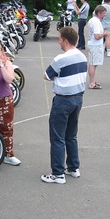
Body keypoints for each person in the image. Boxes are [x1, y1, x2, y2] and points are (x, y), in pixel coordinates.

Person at [41, 26, 88, 184]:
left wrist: (58, 78)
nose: (59, 42)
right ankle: (73, 168)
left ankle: (58, 173)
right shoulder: (82, 56)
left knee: (57, 137)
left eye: (60, 39)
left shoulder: (60, 59)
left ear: (66, 41)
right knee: (71, 135)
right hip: (78, 98)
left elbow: (47, 75)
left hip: (63, 100)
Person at [86, 5, 107, 90]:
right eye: (103, 13)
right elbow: (97, 36)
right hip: (95, 45)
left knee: (93, 63)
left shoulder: (92, 20)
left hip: (92, 44)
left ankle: (92, 81)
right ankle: (91, 83)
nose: (104, 15)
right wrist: (104, 34)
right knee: (93, 64)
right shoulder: (96, 22)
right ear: (99, 13)